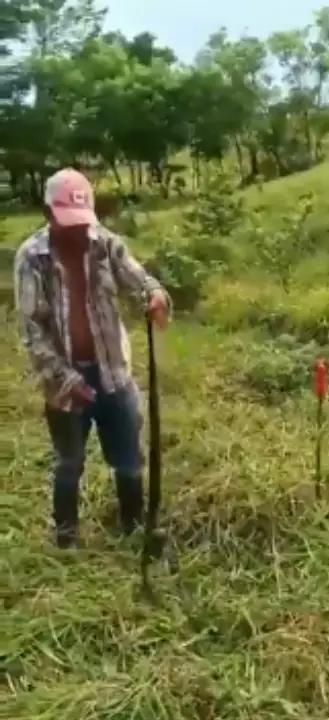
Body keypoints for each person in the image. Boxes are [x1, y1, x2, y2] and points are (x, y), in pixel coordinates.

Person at [13, 168, 171, 549]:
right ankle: (66, 538)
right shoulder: (32, 257)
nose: (76, 231)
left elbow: (139, 278)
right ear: (48, 214)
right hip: (62, 380)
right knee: (69, 462)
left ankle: (133, 528)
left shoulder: (104, 243)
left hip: (113, 372)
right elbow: (32, 331)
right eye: (66, 222)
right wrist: (66, 379)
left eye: (81, 222)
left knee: (129, 458)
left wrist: (155, 294)